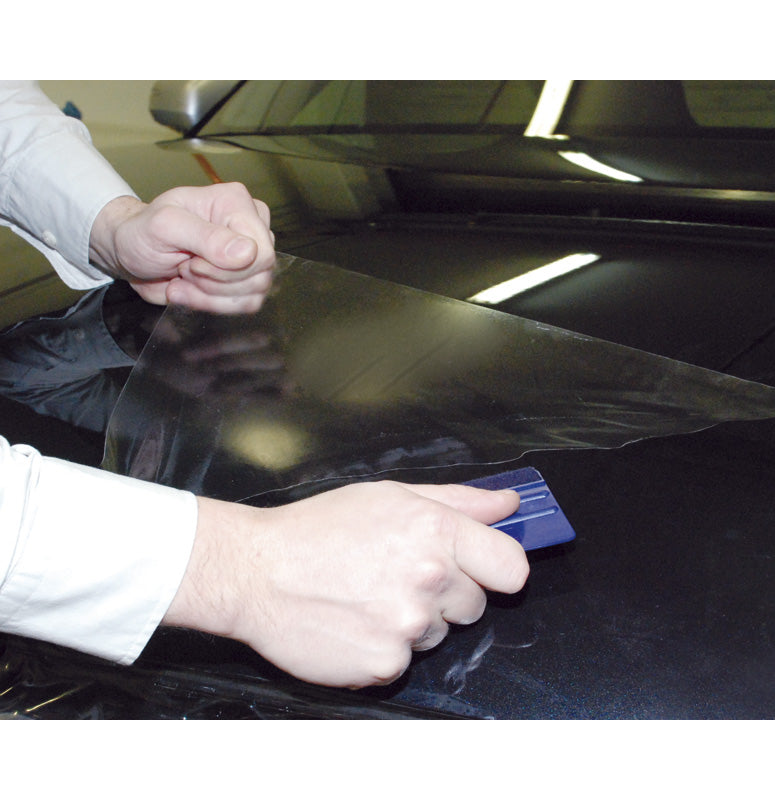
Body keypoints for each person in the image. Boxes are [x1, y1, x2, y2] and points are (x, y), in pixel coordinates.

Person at [0, 81, 528, 689]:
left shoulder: (399, 442)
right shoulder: (165, 424)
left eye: (270, 350)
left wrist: (115, 224)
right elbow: (19, 376)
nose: (238, 358)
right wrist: (133, 330)